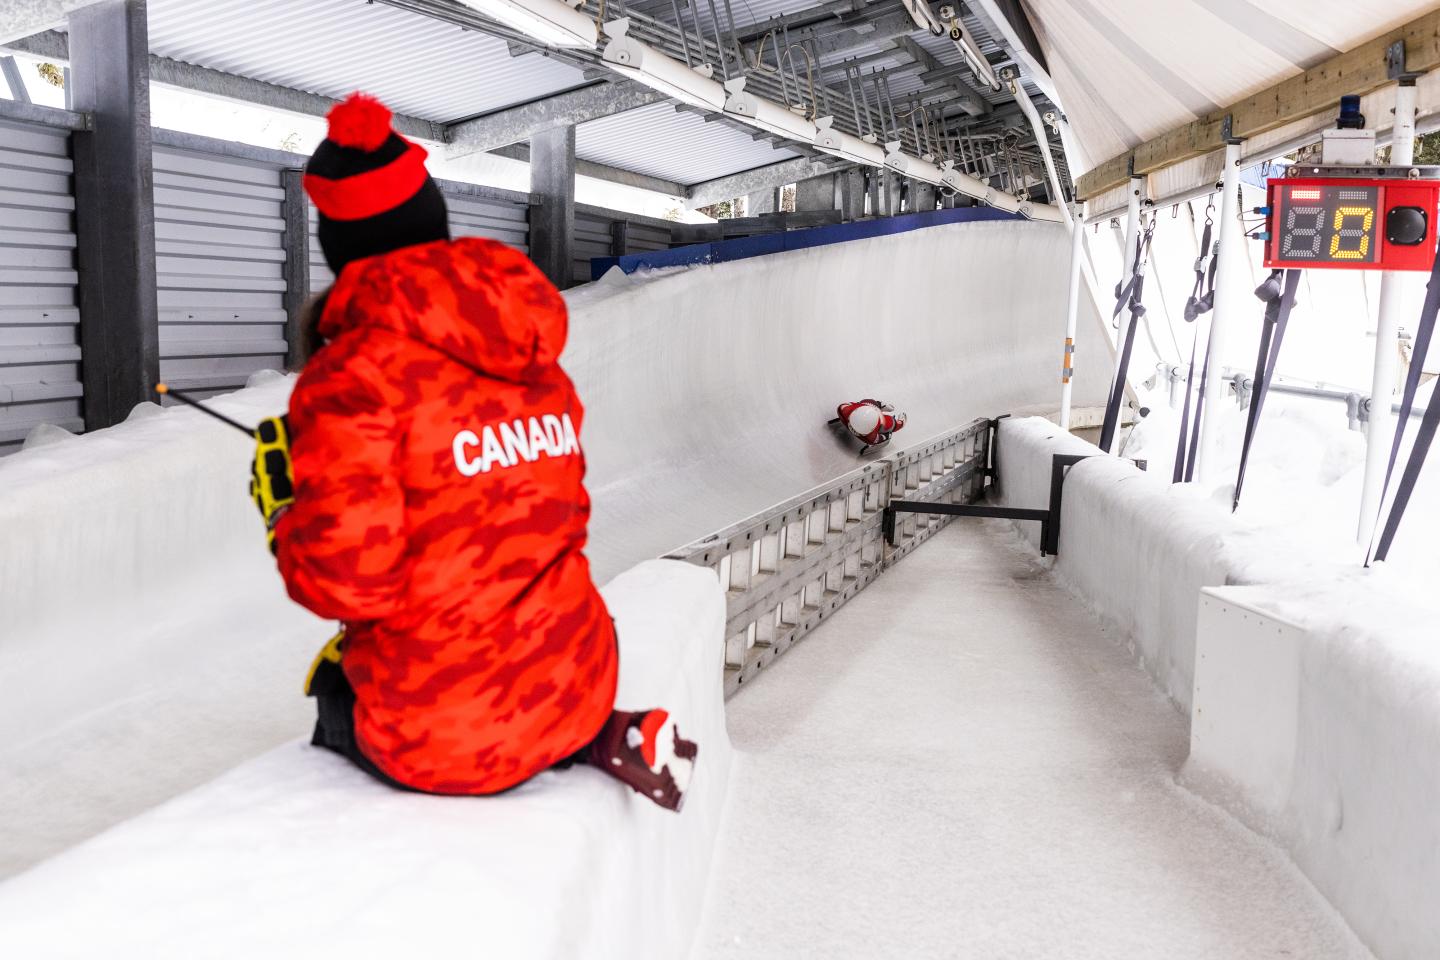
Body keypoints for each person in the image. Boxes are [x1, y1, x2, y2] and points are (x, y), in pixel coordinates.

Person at [248, 93, 695, 810]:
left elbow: (347, 583)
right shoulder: (532, 350)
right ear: (433, 221)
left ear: (338, 245)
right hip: (580, 678)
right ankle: (587, 733)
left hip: (444, 738)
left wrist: (284, 513)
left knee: (333, 690)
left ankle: (516, 734)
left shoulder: (352, 378)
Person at [833, 399, 907, 451]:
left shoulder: (842, 409)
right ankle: (881, 405)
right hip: (865, 408)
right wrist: (886, 436)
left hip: (874, 414)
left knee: (890, 423)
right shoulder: (871, 438)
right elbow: (880, 439)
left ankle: (881, 405)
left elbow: (880, 439)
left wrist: (887, 435)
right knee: (891, 423)